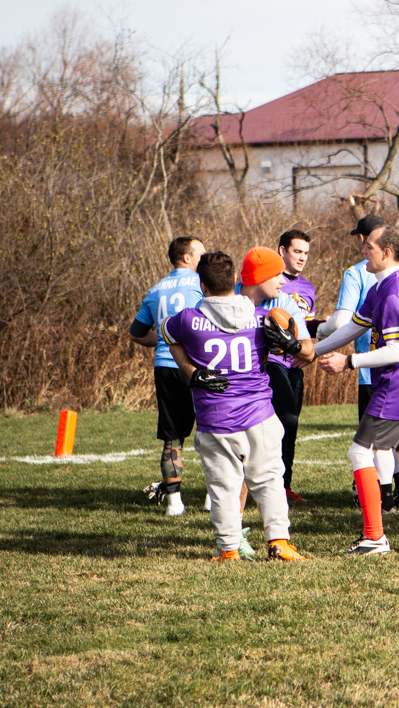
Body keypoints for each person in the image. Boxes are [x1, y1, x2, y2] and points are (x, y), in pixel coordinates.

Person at [161, 249, 312, 562]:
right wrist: (290, 343)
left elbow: (165, 333)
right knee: (270, 479)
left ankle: (228, 547)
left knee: (223, 487)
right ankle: (279, 543)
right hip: (259, 413)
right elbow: (306, 353)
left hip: (215, 418)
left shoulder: (189, 320)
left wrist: (191, 372)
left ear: (202, 286)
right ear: (234, 279)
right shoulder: (261, 320)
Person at [313, 227, 399, 555]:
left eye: (369, 247)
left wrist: (349, 362)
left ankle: (374, 537)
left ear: (386, 253)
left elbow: (396, 351)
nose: (363, 252)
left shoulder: (395, 293)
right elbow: (355, 326)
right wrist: (312, 352)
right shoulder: (381, 286)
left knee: (359, 453)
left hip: (396, 389)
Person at [128, 235, 206, 516]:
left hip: (164, 365)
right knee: (213, 430)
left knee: (172, 438)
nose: (204, 258)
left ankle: (174, 503)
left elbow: (136, 333)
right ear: (187, 257)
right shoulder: (201, 283)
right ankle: (213, 497)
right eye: (201, 253)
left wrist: (163, 341)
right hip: (196, 363)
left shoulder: (154, 290)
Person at [264, 229, 316, 504]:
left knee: (292, 426)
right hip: (272, 364)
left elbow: (306, 327)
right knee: (283, 421)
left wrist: (311, 347)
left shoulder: (308, 288)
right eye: (297, 251)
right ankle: (266, 484)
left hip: (295, 365)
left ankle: (284, 485)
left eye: (306, 253)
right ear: (282, 250)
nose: (302, 258)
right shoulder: (268, 282)